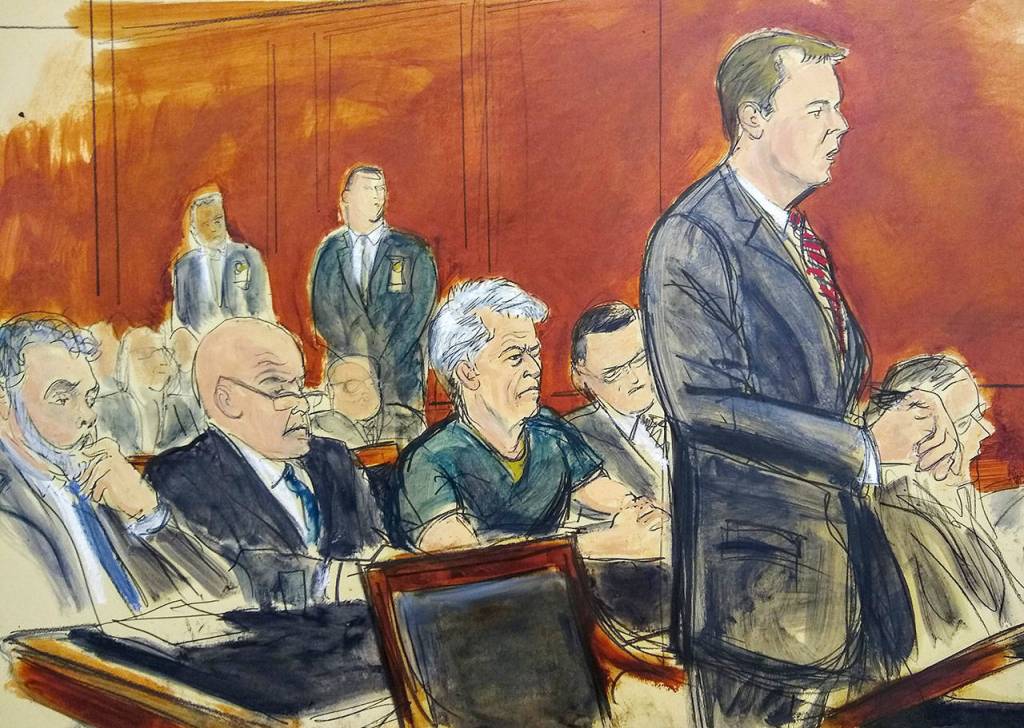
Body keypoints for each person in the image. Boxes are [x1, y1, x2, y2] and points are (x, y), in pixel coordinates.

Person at [641, 29, 962, 725]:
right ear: (754, 118)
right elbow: (704, 404)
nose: (840, 125)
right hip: (759, 608)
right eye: (817, 109)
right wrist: (864, 446)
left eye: (836, 108)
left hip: (842, 590)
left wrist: (908, 413)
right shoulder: (694, 235)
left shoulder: (797, 236)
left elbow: (820, 394)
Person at [396, 278, 664, 557]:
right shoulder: (429, 461)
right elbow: (465, 562)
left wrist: (642, 516)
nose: (534, 368)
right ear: (467, 373)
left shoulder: (548, 432)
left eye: (533, 353)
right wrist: (597, 544)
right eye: (515, 357)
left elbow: (611, 496)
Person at [0, 314, 236, 626]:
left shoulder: (101, 484)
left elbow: (223, 597)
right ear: (3, 405)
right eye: (62, 398)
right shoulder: (9, 507)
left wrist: (151, 516)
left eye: (89, 398)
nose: (88, 415)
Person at [145, 318, 385, 608]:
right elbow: (239, 589)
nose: (302, 404)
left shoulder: (335, 459)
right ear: (226, 400)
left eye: (299, 387)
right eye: (278, 391)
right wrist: (342, 581)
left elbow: (376, 554)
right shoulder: (182, 479)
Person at [866, 354, 1024, 672]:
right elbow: (962, 645)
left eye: (977, 415)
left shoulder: (960, 504)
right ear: (915, 439)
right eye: (964, 422)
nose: (985, 431)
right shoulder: (906, 517)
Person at [310, 165, 437, 410]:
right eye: (368, 189)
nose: (377, 196)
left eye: (380, 189)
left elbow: (418, 316)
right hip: (349, 383)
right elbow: (324, 314)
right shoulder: (330, 251)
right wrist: (358, 365)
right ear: (347, 197)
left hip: (400, 386)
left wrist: (381, 362)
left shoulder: (413, 251)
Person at [568, 303, 669, 505]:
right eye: (613, 372)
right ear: (581, 378)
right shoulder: (567, 438)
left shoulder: (694, 410)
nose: (634, 378)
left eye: (641, 359)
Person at [172, 188, 274, 336]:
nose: (213, 229)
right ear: (194, 230)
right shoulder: (183, 267)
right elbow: (181, 321)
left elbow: (262, 309)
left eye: (218, 220)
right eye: (205, 224)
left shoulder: (249, 256)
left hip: (245, 338)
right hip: (201, 343)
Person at [94, 327, 203, 455]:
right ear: (124, 363)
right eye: (145, 353)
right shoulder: (105, 410)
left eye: (163, 351)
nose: (160, 360)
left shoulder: (183, 409)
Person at [311, 355, 425, 449]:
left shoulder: (407, 420)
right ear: (331, 391)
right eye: (352, 385)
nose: (366, 391)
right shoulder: (320, 428)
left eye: (372, 383)